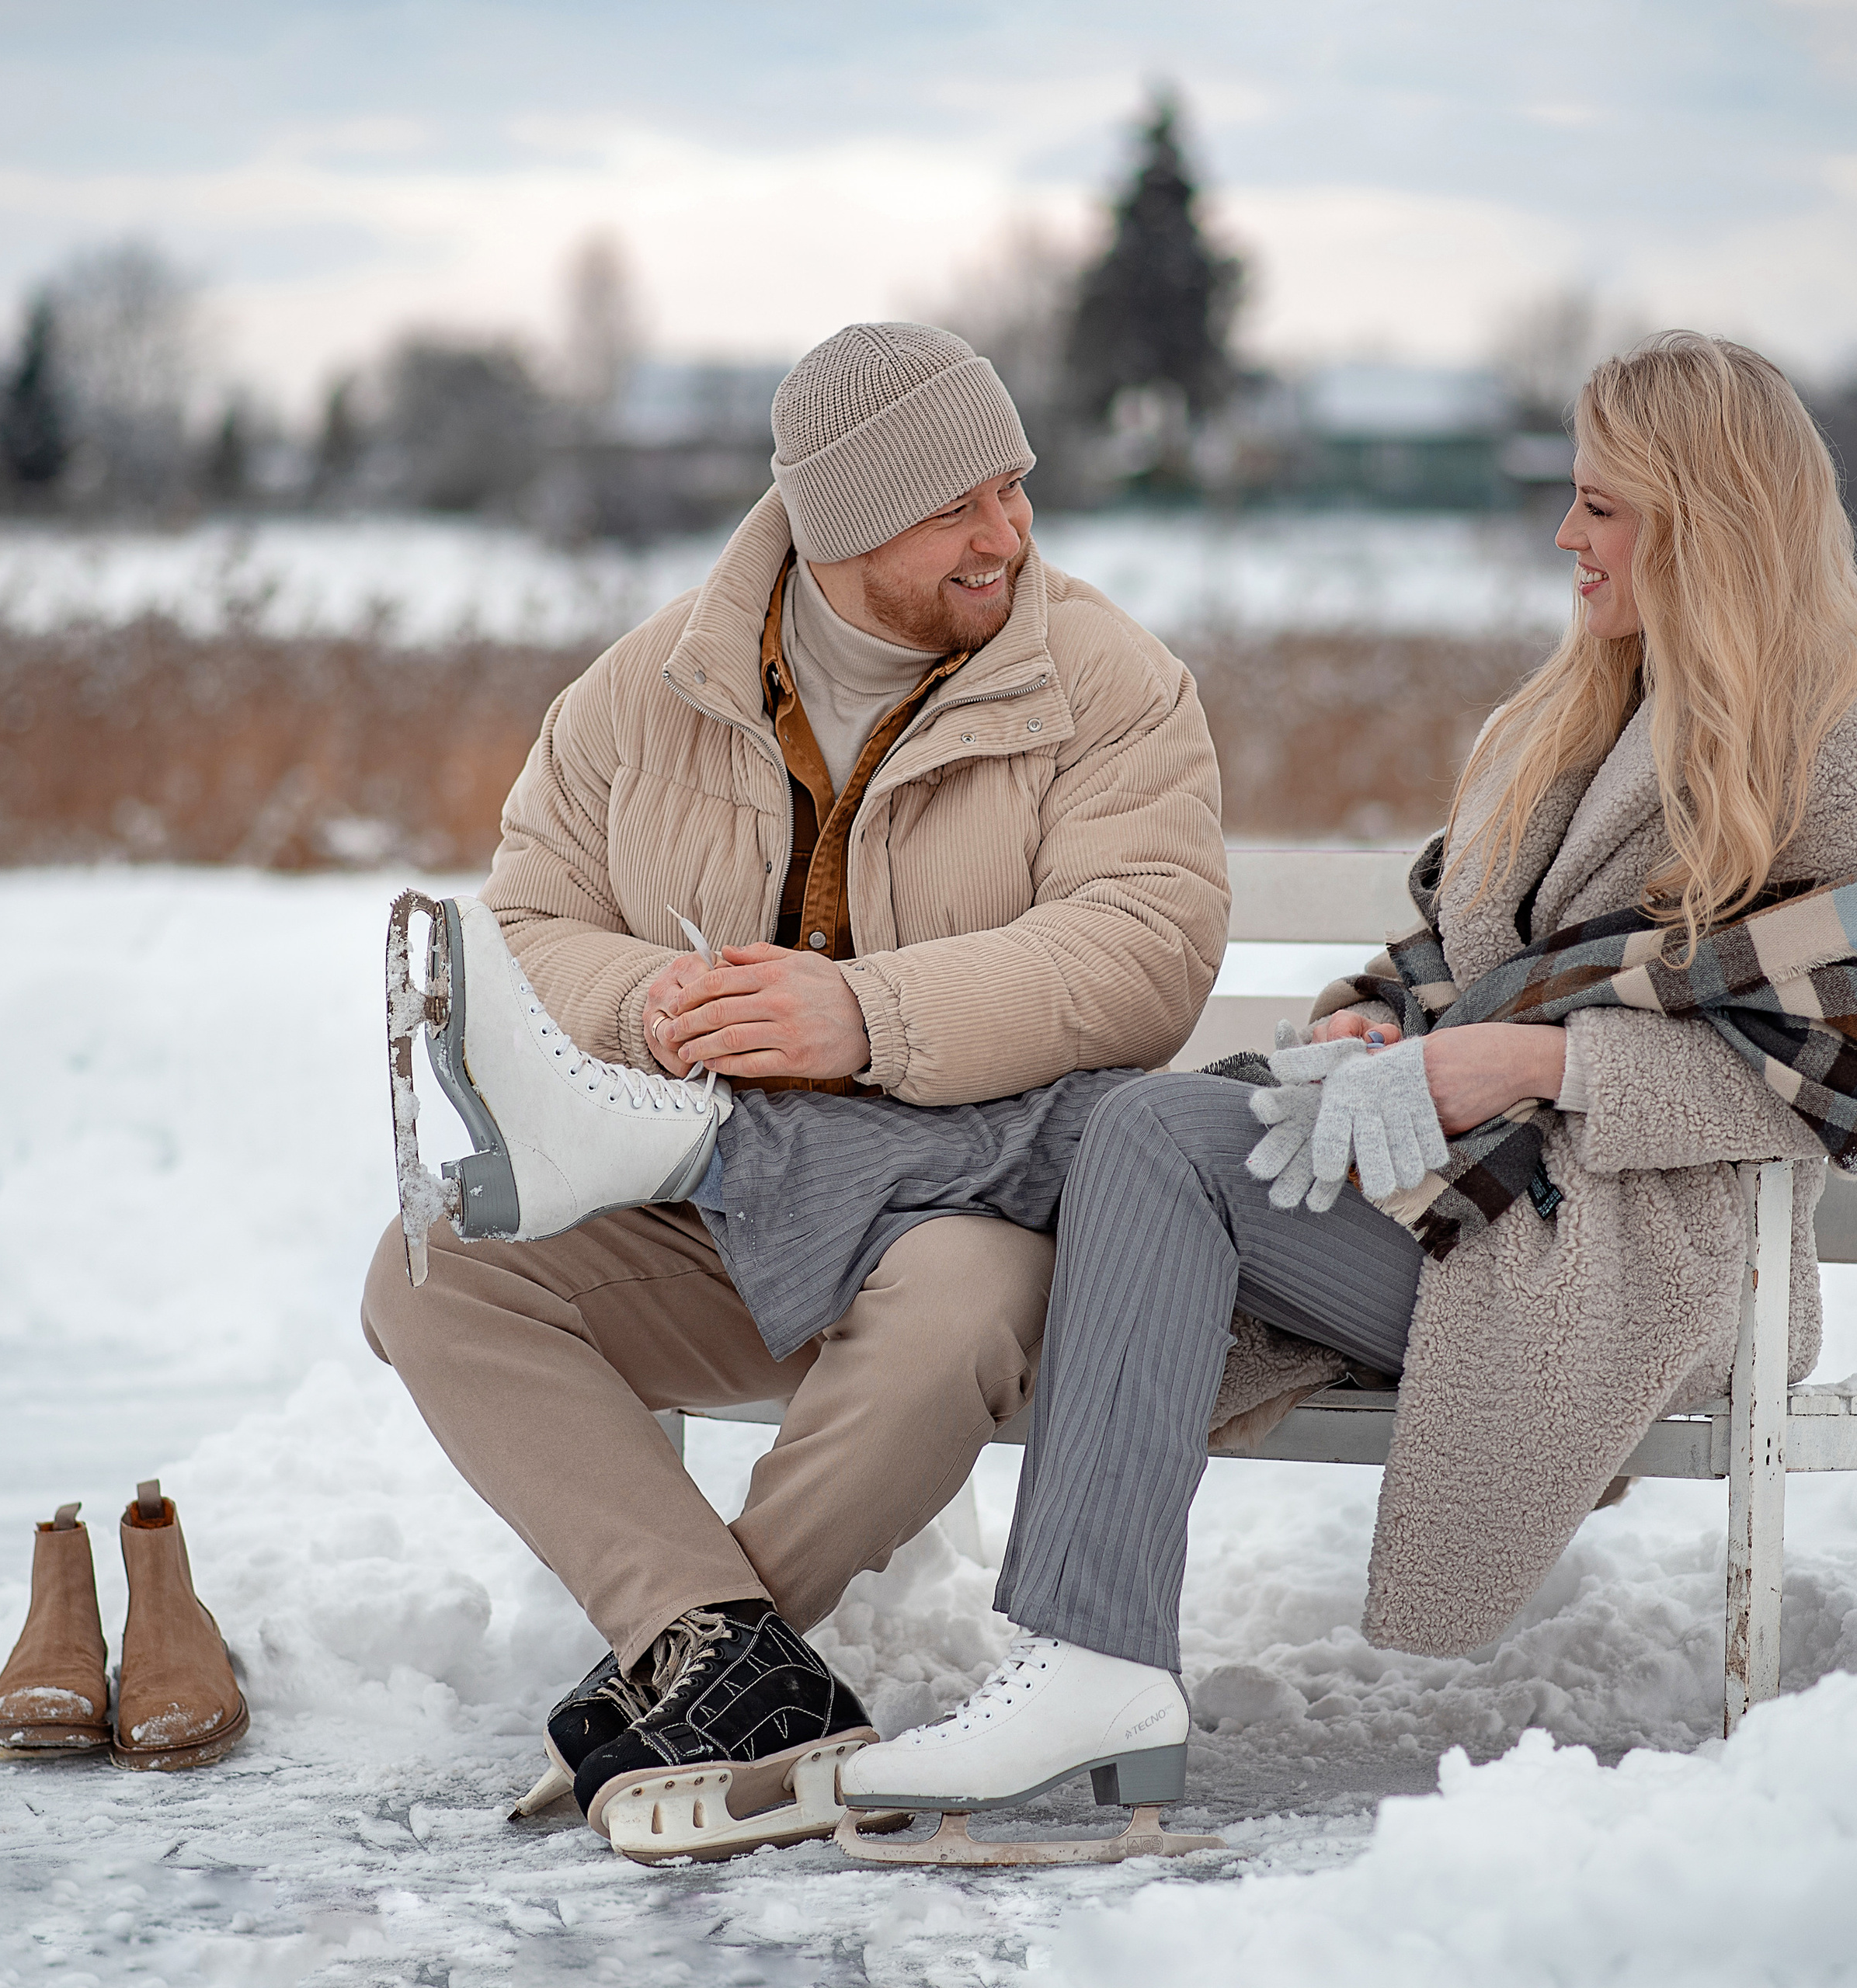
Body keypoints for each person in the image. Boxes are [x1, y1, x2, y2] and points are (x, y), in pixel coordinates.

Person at [442, 332, 1857, 1839]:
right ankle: (1071, 1651)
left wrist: (1540, 1057)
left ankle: (1073, 1635)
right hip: (1466, 1212)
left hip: (1639, 1267)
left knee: (1141, 1126)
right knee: (1134, 1130)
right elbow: (1431, 951)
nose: (1561, 535)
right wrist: (1366, 1028)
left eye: (1598, 504)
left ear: (1704, 516)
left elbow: (1824, 1033)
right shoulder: (1562, 716)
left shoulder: (1819, 745)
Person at [360, 320, 1229, 1848]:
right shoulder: (646, 689)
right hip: (725, 1192)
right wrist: (645, 996)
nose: (1006, 534)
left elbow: (1143, 944)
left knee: (948, 1311)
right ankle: (725, 1661)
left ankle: (688, 1690)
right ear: (838, 523)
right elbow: (530, 913)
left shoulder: (1103, 679)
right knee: (437, 1268)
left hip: (971, 1197)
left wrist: (863, 1014)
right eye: (956, 504)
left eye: (1013, 488)